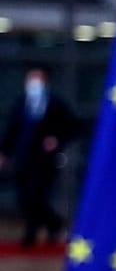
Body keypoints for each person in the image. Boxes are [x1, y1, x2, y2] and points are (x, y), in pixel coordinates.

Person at [0, 67, 76, 247]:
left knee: (36, 196)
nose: (34, 84)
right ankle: (53, 223)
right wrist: (4, 153)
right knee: (24, 198)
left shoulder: (56, 105)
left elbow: (73, 126)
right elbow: (12, 131)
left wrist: (56, 139)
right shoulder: (21, 104)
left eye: (38, 80)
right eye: (31, 80)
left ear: (45, 82)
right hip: (23, 158)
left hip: (45, 161)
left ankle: (30, 235)